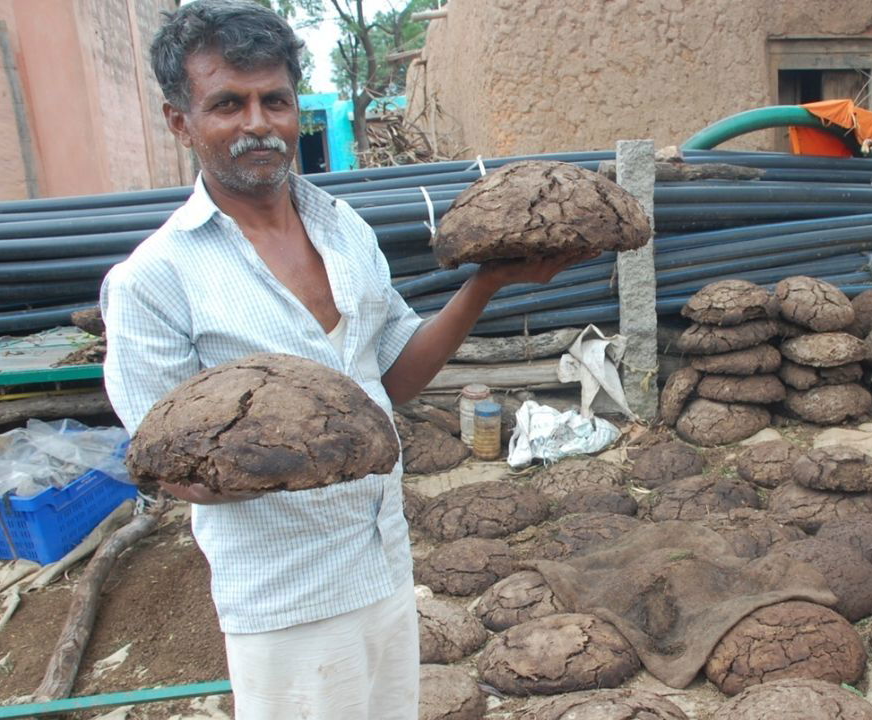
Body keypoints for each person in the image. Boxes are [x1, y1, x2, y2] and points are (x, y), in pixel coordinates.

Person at [101, 1, 585, 717]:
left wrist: (485, 285)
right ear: (181, 121)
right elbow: (173, 469)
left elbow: (390, 379)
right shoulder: (155, 280)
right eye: (228, 104)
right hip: (284, 596)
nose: (257, 123)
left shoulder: (344, 228)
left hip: (383, 561)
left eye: (275, 100)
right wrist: (298, 447)